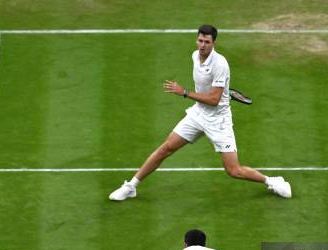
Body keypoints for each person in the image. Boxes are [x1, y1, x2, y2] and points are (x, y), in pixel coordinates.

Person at [109, 24, 291, 201]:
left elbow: (214, 100)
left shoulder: (220, 64)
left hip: (219, 121)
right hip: (198, 114)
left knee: (233, 171)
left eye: (207, 42)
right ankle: (130, 186)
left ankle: (271, 181)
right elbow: (207, 91)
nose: (202, 45)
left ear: (214, 44)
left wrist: (185, 93)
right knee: (166, 148)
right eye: (200, 40)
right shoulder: (195, 56)